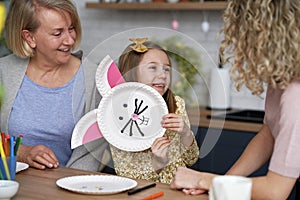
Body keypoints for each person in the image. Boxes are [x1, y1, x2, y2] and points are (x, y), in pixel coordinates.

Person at [170, 0, 300, 199]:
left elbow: (275, 191)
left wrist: (202, 179)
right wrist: (222, 184)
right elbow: (269, 135)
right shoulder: (282, 80)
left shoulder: (295, 95)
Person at [0, 0, 107, 171]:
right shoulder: (3, 72)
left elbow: (97, 151)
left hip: (72, 190)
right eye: (57, 34)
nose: (70, 40)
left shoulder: (96, 80)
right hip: (11, 186)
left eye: (71, 28)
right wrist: (21, 152)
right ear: (29, 37)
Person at [108, 38, 199, 184]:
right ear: (132, 72)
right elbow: (127, 178)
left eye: (166, 69)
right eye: (152, 68)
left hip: (179, 190)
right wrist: (158, 164)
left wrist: (186, 134)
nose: (163, 75)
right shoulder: (116, 116)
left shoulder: (177, 104)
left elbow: (191, 159)